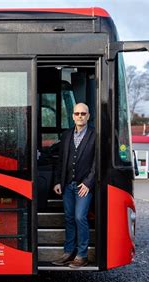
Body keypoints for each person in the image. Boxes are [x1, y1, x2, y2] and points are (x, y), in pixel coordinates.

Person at [52, 102, 95, 268]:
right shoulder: (67, 135)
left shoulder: (94, 134)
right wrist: (57, 181)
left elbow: (96, 163)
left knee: (79, 217)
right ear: (72, 116)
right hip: (67, 184)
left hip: (83, 186)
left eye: (83, 114)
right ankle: (68, 252)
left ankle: (82, 255)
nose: (80, 116)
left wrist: (89, 183)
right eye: (77, 114)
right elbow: (61, 160)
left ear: (88, 116)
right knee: (69, 218)